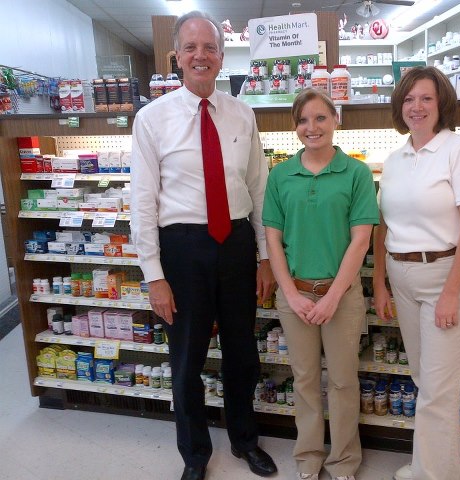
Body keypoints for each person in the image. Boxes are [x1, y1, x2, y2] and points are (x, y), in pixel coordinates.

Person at [130, 11, 277, 480]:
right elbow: (143, 203)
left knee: (241, 353)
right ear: (177, 57)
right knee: (186, 358)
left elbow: (258, 190)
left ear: (220, 56)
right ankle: (194, 455)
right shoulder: (151, 119)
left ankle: (244, 440)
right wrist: (154, 275)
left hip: (234, 243)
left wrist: (266, 257)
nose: (201, 56)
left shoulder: (242, 113)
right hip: (183, 248)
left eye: (209, 47)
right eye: (191, 47)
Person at [373, 66, 460, 480]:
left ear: (441, 104)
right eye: (408, 99)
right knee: (425, 379)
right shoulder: (397, 158)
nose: (416, 107)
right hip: (402, 278)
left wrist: (452, 292)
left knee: (438, 389)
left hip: (446, 275)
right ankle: (432, 465)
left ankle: (431, 474)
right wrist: (380, 282)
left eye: (425, 98)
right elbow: (382, 223)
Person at [262, 88, 379, 480]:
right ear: (295, 127)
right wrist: (291, 294)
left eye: (320, 118)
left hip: (342, 297)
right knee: (306, 380)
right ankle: (309, 457)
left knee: (344, 381)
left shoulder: (357, 174)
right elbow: (273, 240)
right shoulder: (280, 175)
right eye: (303, 120)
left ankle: (344, 460)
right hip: (294, 294)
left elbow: (360, 240)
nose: (311, 128)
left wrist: (332, 296)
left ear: (335, 120)